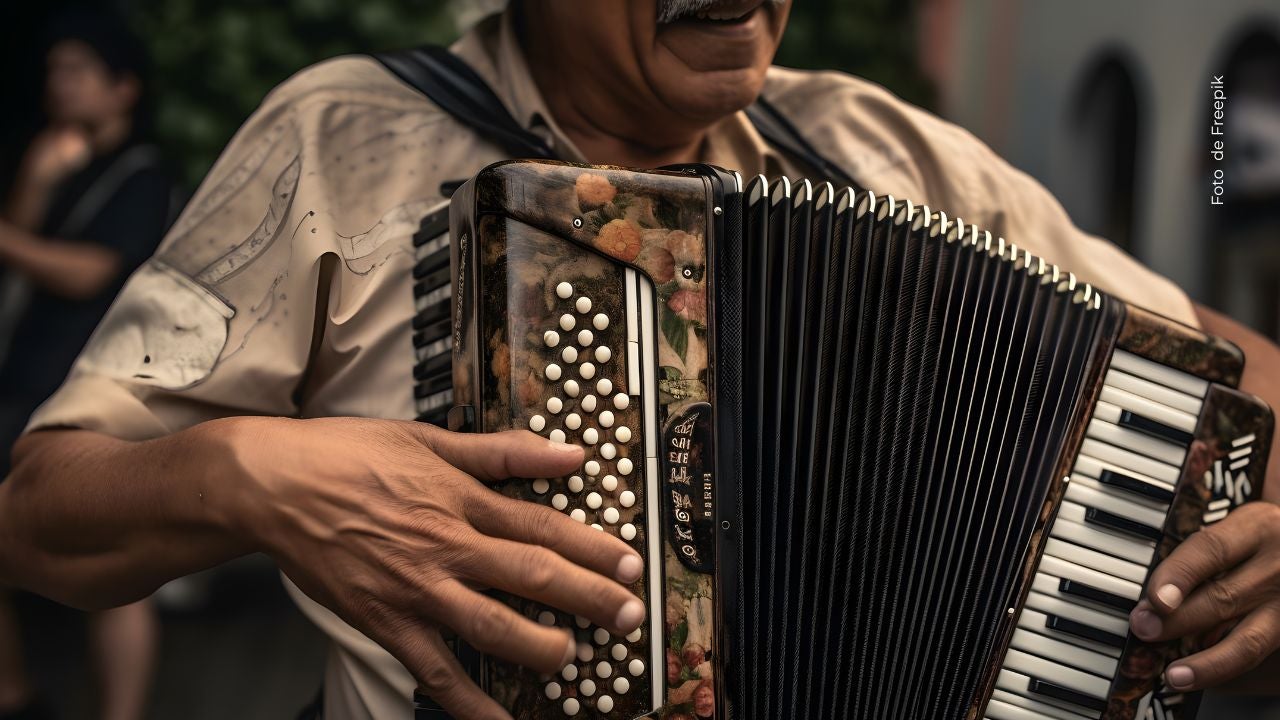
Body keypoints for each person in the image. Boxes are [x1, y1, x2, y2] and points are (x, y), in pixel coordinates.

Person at [0, 1, 1277, 718]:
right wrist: (254, 479)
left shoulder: (882, 150)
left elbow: (1240, 372)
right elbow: (43, 515)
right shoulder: (342, 140)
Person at [0, 11, 172, 720]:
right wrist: (36, 184)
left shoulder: (147, 175)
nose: (57, 84)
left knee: (115, 567)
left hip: (96, 393)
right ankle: (17, 698)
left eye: (76, 70)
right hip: (24, 386)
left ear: (122, 87)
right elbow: (21, 246)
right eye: (53, 70)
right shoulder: (56, 160)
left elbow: (86, 273)